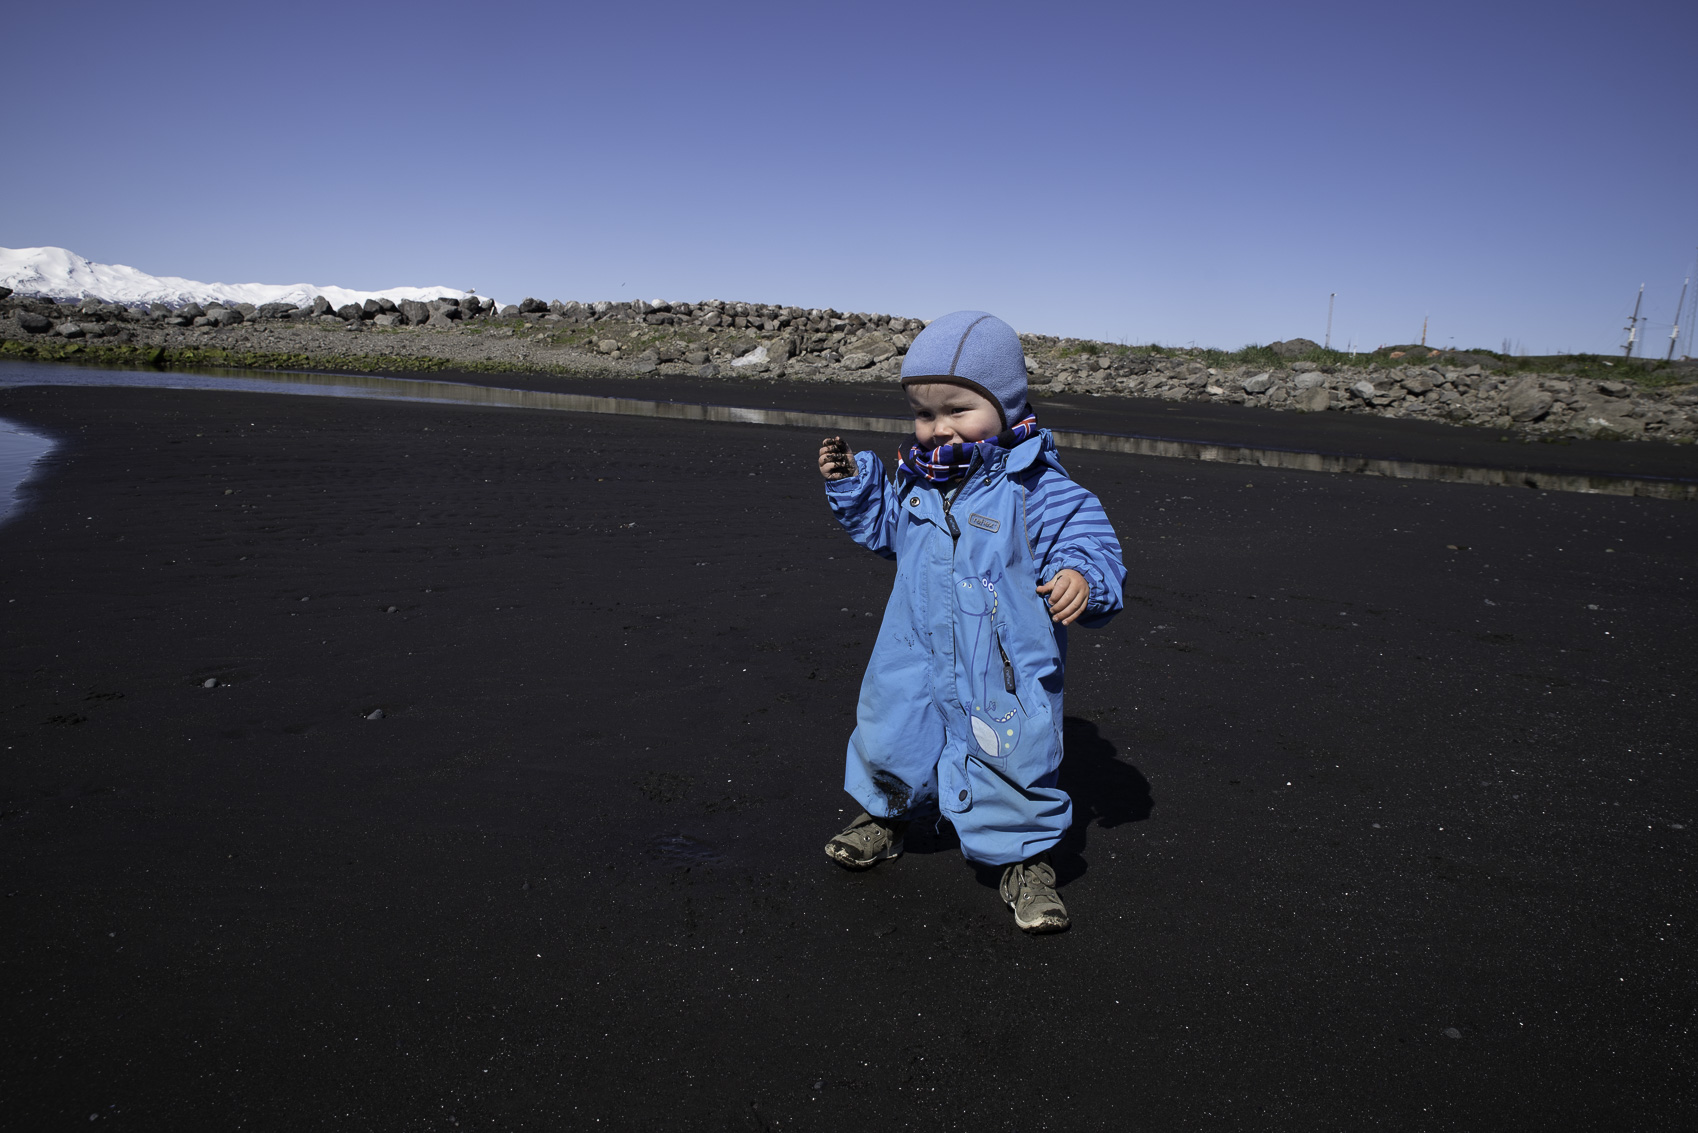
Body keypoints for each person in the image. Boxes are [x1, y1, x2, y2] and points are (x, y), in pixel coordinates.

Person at [817, 310, 1125, 933]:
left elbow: (1088, 543)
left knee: (1015, 759)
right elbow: (888, 534)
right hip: (914, 650)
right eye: (925, 414)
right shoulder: (917, 485)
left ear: (1006, 406)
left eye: (958, 410)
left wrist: (1081, 580)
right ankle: (886, 814)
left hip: (1001, 669)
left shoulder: (1037, 489)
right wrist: (857, 487)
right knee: (891, 733)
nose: (938, 429)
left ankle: (1026, 863)